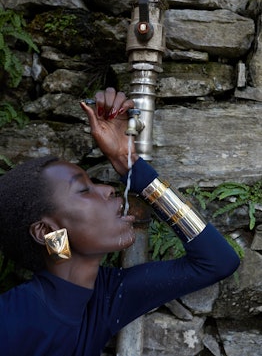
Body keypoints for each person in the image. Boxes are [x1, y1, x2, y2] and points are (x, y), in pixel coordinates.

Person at [0, 87, 240, 356]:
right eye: (84, 189)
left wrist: (128, 163)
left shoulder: (105, 296)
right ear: (47, 231)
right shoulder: (10, 321)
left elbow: (217, 261)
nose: (106, 189)